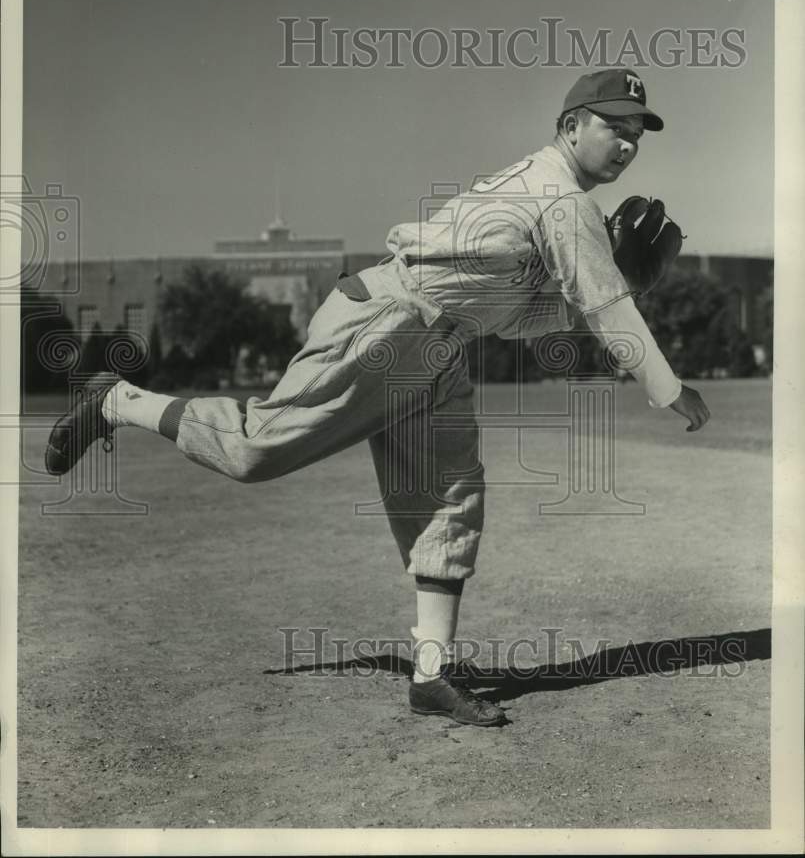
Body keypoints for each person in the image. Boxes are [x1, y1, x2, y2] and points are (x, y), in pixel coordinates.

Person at [45, 68, 710, 727]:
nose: (624, 144)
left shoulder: (557, 201)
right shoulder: (561, 201)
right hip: (387, 323)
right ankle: (117, 400)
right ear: (570, 126)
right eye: (611, 126)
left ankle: (430, 681)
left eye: (635, 135)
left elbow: (517, 317)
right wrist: (668, 388)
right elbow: (606, 309)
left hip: (443, 343)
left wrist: (611, 290)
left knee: (450, 503)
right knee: (254, 453)